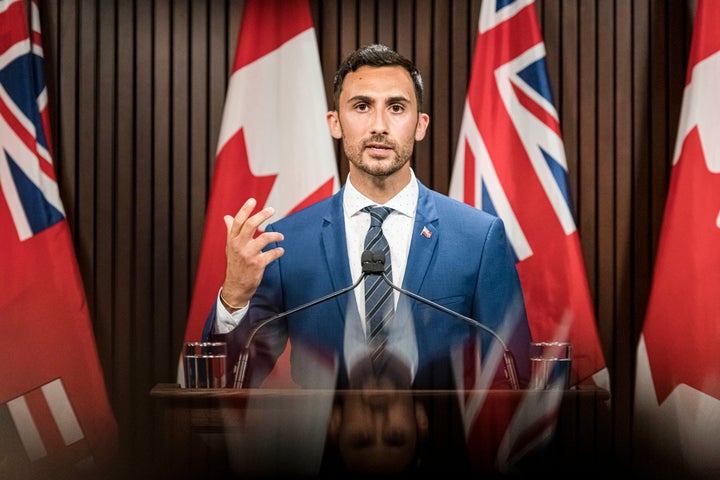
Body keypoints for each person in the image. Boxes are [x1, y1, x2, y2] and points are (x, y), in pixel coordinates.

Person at [202, 43, 532, 391]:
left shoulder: (477, 238)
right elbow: (228, 381)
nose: (379, 125)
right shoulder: (288, 243)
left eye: (396, 107)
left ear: (420, 125)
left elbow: (514, 377)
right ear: (335, 123)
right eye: (361, 106)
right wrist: (235, 297)